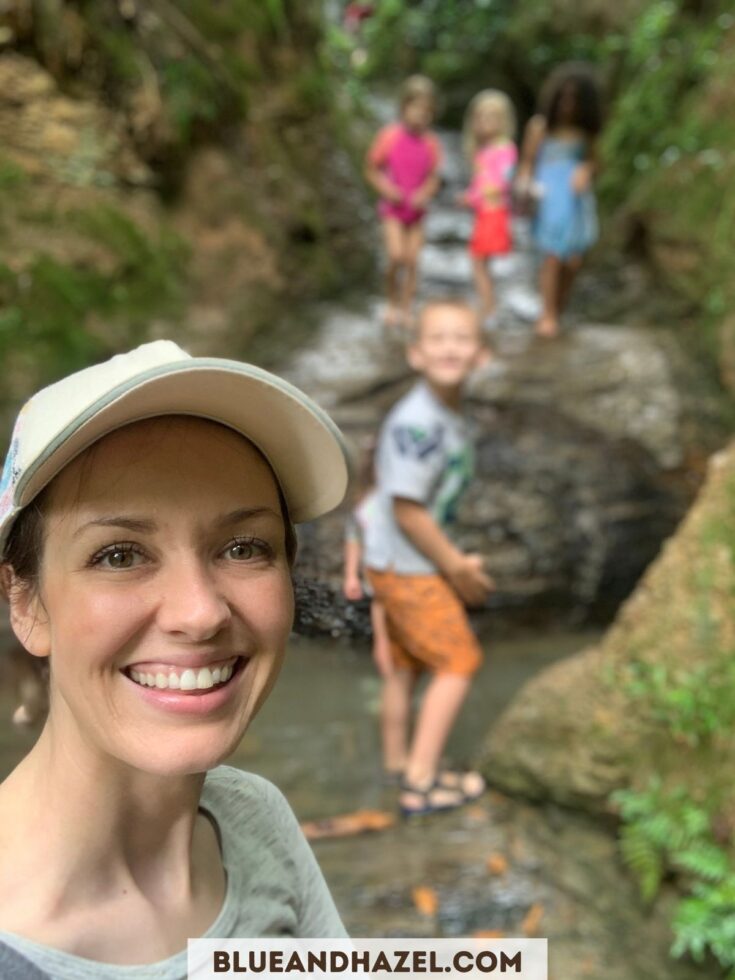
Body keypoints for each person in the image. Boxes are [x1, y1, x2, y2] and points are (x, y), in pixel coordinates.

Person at [0, 340, 350, 977]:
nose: (200, 613)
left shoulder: (251, 817)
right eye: (120, 555)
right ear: (26, 603)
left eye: (244, 547)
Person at [362, 299, 494, 815]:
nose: (450, 347)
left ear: (481, 354)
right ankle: (420, 783)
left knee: (405, 667)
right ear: (416, 353)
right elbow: (409, 510)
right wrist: (457, 567)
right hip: (410, 565)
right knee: (460, 661)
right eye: (437, 338)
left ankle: (396, 763)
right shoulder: (418, 423)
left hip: (391, 560)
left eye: (461, 337)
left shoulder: (447, 414)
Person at [516, 62, 603, 338]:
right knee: (552, 255)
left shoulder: (585, 133)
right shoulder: (540, 127)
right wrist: (525, 187)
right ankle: (548, 313)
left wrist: (585, 170)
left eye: (575, 98)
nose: (568, 104)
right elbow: (527, 164)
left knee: (573, 261)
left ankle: (558, 308)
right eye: (564, 96)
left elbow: (594, 161)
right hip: (548, 196)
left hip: (575, 201)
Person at [365, 75, 443, 329]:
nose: (421, 115)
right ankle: (391, 301)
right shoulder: (389, 136)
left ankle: (407, 307)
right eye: (416, 108)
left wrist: (426, 193)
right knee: (396, 256)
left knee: (412, 260)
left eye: (426, 110)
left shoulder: (431, 142)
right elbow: (372, 169)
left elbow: (434, 176)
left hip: (417, 212)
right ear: (403, 107)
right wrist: (387, 189)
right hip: (393, 209)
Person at [459, 90, 518, 324]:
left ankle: (488, 308)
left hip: (493, 212)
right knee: (481, 261)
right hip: (485, 212)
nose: (485, 123)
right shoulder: (484, 150)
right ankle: (489, 305)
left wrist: (472, 197)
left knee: (478, 260)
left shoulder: (504, 149)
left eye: (492, 117)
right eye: (481, 117)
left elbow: (500, 184)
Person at [342, 442, 393, 700]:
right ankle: (390, 687)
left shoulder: (401, 498)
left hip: (405, 574)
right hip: (380, 575)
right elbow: (354, 539)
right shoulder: (365, 502)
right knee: (384, 639)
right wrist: (351, 575)